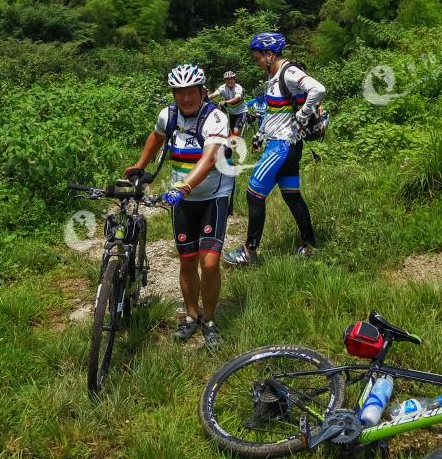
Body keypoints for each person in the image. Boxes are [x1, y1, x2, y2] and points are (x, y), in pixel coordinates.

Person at [125, 63, 229, 348]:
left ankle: (208, 319)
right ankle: (191, 316)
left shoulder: (215, 117)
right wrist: (139, 166)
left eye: (191, 91)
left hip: (213, 197)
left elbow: (209, 159)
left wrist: (183, 187)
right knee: (187, 260)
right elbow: (157, 138)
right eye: (179, 92)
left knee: (209, 263)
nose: (185, 98)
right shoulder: (168, 115)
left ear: (202, 90)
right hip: (181, 201)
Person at [223, 33, 324, 266]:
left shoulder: (288, 72)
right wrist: (260, 134)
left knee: (253, 193)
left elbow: (318, 89)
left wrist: (304, 113)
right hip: (287, 145)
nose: (256, 62)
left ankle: (249, 252)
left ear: (270, 55)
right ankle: (310, 246)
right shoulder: (274, 76)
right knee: (292, 196)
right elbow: (273, 111)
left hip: (282, 147)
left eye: (258, 57)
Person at [209, 71, 248, 138]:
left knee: (236, 130)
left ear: (234, 79)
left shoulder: (238, 87)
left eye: (231, 79)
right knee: (231, 132)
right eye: (227, 79)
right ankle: (234, 145)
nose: (230, 81)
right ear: (225, 81)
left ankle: (240, 142)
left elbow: (237, 98)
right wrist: (204, 98)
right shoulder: (223, 87)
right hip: (231, 113)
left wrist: (225, 102)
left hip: (241, 112)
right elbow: (215, 94)